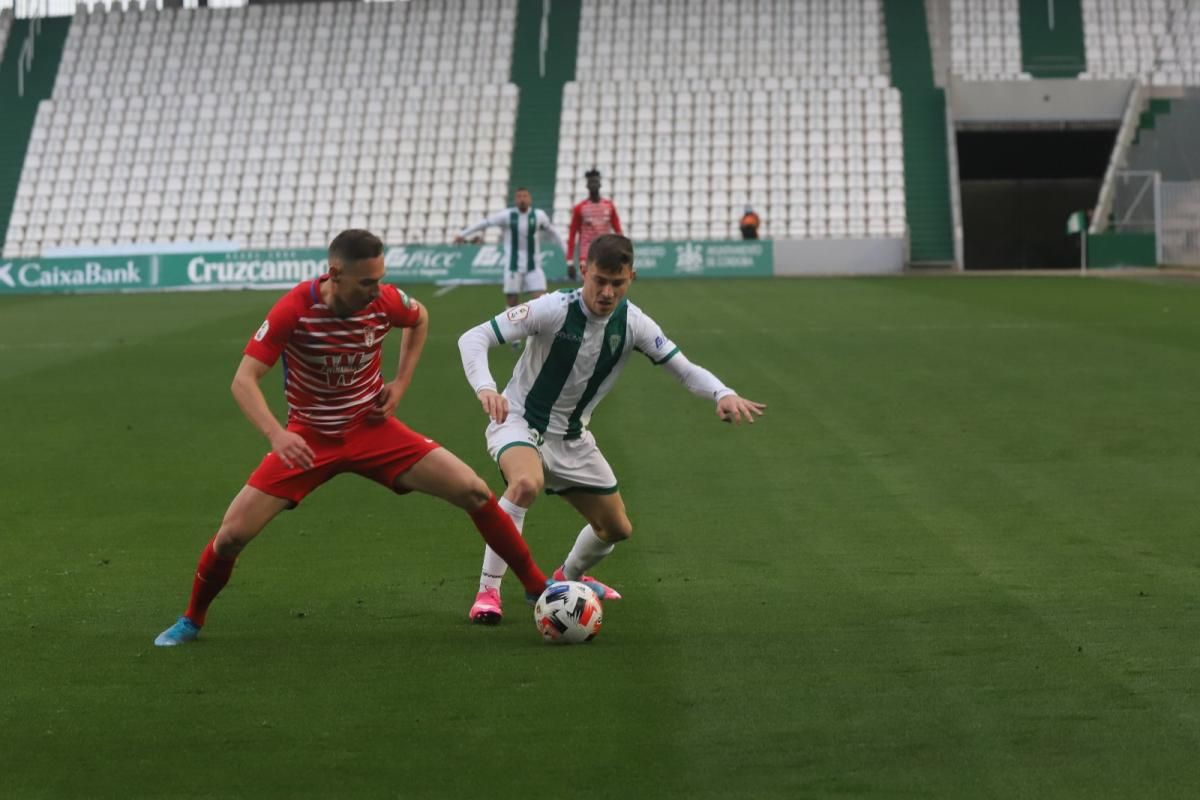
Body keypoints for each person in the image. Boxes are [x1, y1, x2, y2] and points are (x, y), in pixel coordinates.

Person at [153, 229, 549, 647]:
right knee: (231, 534)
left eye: (380, 278)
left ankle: (536, 586)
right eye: (367, 282)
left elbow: (420, 318)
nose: (376, 290)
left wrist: (400, 383)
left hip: (372, 431)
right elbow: (243, 380)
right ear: (334, 274)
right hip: (309, 441)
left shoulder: (383, 301)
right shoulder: (294, 309)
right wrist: (276, 434)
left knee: (473, 490)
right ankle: (191, 619)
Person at [456, 233, 766, 624]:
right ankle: (488, 592)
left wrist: (722, 392)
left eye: (616, 283)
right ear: (583, 270)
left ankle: (565, 580)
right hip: (518, 421)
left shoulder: (634, 322)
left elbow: (683, 369)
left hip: (572, 437)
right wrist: (486, 388)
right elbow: (474, 337)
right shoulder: (553, 308)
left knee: (615, 527)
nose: (606, 291)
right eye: (599, 280)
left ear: (631, 278)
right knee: (524, 485)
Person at [454, 187, 564, 311]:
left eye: (525, 196)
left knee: (541, 302)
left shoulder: (539, 215)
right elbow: (485, 223)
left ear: (530, 199)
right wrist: (463, 234)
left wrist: (566, 252)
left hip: (533, 267)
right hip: (513, 267)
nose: (522, 199)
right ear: (515, 200)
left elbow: (553, 232)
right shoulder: (507, 215)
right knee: (512, 305)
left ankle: (538, 329)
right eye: (519, 196)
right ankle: (512, 329)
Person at [566, 168, 623, 282]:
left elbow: (618, 232)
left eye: (595, 181)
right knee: (589, 288)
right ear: (587, 185)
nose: (593, 184)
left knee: (604, 287)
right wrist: (570, 261)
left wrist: (622, 253)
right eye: (591, 182)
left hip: (605, 252)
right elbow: (572, 235)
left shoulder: (609, 206)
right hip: (586, 254)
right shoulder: (580, 208)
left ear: (600, 184)